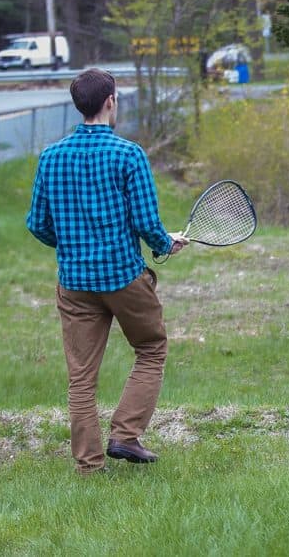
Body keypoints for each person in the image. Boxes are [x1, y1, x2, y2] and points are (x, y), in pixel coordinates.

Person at [26, 68, 188, 474]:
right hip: (123, 278)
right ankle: (126, 435)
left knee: (81, 378)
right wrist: (165, 243)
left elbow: (37, 223)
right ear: (111, 100)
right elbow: (146, 221)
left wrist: (72, 246)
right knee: (151, 350)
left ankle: (88, 466)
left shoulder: (51, 156)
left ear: (79, 104)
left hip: (75, 283)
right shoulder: (128, 154)